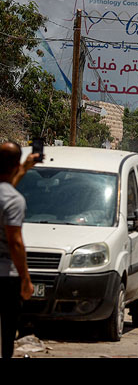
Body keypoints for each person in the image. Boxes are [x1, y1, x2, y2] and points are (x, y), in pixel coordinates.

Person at [0, 141, 38, 358]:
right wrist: (25, 278)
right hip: (6, 277)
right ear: (15, 164)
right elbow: (15, 243)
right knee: (6, 334)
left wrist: (23, 169)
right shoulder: (14, 200)